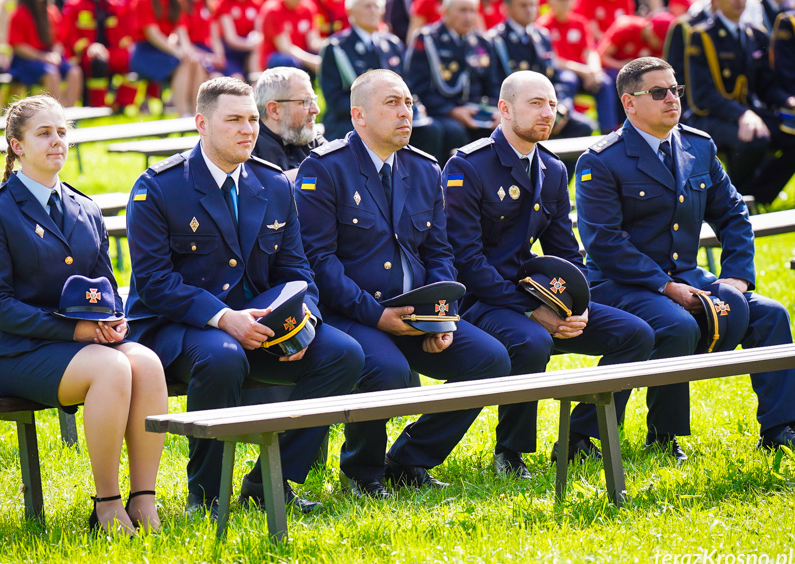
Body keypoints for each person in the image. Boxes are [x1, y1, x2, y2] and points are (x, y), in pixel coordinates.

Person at [125, 77, 363, 518]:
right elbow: (155, 282)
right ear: (202, 123)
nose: (247, 129)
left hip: (260, 325)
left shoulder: (272, 184)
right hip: (179, 328)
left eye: (252, 119)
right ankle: (208, 496)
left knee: (344, 353)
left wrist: (302, 322)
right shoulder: (159, 186)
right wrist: (222, 317)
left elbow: (297, 271)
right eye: (233, 119)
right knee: (223, 356)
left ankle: (272, 482)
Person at [295, 69, 510, 499]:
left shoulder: (423, 167)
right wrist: (377, 315)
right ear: (358, 115)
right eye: (392, 103)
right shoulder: (326, 169)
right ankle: (363, 472)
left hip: (419, 312)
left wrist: (442, 315)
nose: (405, 112)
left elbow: (440, 252)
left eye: (409, 102)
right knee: (389, 372)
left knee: (491, 360)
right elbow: (319, 261)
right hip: (352, 314)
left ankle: (409, 459)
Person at [575, 57, 795, 459]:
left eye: (675, 90)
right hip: (621, 284)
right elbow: (605, 243)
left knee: (771, 314)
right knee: (677, 325)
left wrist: (736, 277)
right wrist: (666, 286)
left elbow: (733, 214)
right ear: (629, 104)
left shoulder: (697, 146)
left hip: (688, 277)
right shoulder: (600, 160)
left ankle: (781, 427)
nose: (671, 99)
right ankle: (663, 436)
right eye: (658, 92)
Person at [0, 95, 167, 536]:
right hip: (13, 350)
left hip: (79, 343)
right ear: (16, 146)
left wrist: (113, 319)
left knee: (147, 363)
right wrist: (75, 329)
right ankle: (107, 505)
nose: (57, 141)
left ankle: (143, 501)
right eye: (44, 133)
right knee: (113, 368)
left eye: (62, 131)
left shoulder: (84, 207)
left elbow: (106, 285)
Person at [442, 71, 654, 478]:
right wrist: (531, 309)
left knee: (635, 334)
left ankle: (579, 435)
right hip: (478, 300)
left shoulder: (553, 169)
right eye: (535, 103)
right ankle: (511, 453)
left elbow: (566, 250)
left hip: (533, 297)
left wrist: (578, 304)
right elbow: (466, 260)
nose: (548, 113)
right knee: (532, 339)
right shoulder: (469, 165)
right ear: (504, 109)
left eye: (553, 105)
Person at [684, 0, 795, 206]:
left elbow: (766, 87)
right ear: (715, 2)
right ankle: (736, 200)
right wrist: (742, 115)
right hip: (710, 116)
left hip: (749, 113)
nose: (738, 2)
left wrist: (787, 100)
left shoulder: (755, 34)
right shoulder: (701, 36)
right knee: (754, 139)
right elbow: (703, 95)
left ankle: (758, 197)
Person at [487, 0, 597, 175]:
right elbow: (492, 84)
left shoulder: (541, 35)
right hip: (514, 110)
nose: (529, 10)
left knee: (582, 126)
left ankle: (554, 183)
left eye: (532, 5)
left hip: (543, 107)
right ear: (506, 8)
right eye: (523, 5)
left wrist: (561, 107)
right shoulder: (494, 40)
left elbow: (554, 77)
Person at [319, 0, 443, 153]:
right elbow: (334, 100)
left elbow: (406, 86)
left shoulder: (392, 44)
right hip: (352, 119)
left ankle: (422, 176)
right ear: (350, 12)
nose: (373, 11)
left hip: (392, 115)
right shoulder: (336, 47)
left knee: (431, 130)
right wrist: (377, 112)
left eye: (377, 7)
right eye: (367, 6)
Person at [405, 0, 500, 159]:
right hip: (439, 110)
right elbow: (416, 87)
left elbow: (493, 84)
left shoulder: (482, 42)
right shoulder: (427, 39)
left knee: (502, 129)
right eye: (462, 10)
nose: (468, 17)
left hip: (477, 112)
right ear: (445, 11)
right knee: (452, 130)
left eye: (472, 11)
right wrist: (452, 111)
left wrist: (498, 111)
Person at [537, 0, 618, 133]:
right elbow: (553, 60)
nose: (564, 3)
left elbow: (590, 51)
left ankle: (609, 132)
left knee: (605, 82)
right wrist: (583, 71)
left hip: (584, 72)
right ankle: (566, 121)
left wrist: (594, 70)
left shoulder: (579, 22)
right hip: (561, 73)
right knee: (568, 80)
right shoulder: (543, 25)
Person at [129, 0, 204, 117]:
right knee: (182, 64)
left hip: (166, 50)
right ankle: (183, 113)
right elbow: (152, 35)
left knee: (195, 63)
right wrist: (178, 52)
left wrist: (188, 52)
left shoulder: (175, 3)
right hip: (146, 53)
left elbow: (182, 32)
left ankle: (196, 111)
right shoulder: (143, 2)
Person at [61, 0, 139, 110]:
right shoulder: (74, 6)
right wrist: (88, 47)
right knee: (98, 62)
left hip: (110, 51)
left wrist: (126, 44)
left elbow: (123, 31)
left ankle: (121, 105)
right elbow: (69, 36)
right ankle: (97, 107)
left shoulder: (113, 6)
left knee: (133, 60)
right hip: (84, 54)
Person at [7, 0, 82, 107]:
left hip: (49, 55)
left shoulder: (51, 12)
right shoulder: (19, 13)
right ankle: (57, 115)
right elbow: (18, 46)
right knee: (52, 73)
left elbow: (58, 40)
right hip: (26, 60)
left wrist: (55, 54)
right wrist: (42, 57)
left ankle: (70, 114)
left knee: (75, 71)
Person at [252, 67, 325, 172]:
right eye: (306, 101)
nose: (316, 110)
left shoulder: (308, 134)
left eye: (314, 100)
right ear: (274, 110)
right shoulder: (248, 143)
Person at [257, 0, 321, 73]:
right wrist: (312, 61)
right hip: (276, 56)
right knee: (289, 62)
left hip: (301, 54)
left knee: (325, 55)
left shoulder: (308, 7)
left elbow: (313, 42)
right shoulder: (274, 9)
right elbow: (285, 48)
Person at [214, 0, 263, 80]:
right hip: (230, 53)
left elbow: (259, 32)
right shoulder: (225, 4)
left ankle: (255, 81)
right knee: (237, 79)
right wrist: (251, 45)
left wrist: (256, 42)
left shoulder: (255, 5)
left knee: (257, 52)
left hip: (249, 51)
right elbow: (231, 39)